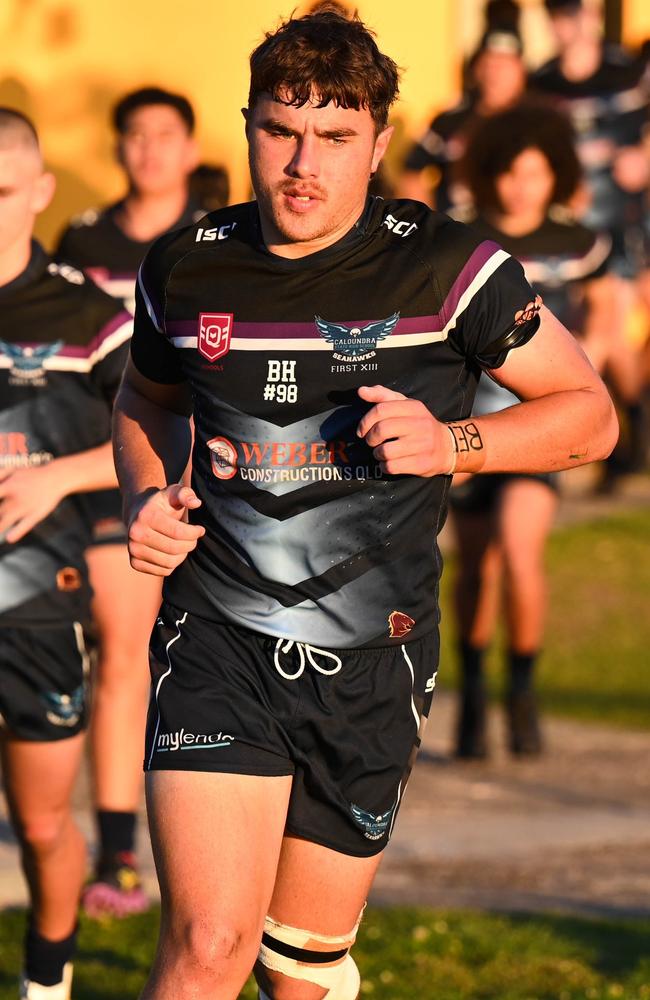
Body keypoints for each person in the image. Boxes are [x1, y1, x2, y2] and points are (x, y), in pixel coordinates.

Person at [112, 10, 617, 998]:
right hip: (219, 635)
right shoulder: (187, 264)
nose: (303, 164)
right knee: (209, 942)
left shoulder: (445, 266)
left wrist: (450, 444)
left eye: (334, 137)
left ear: (378, 142)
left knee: (297, 973)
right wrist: (145, 489)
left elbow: (587, 415)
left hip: (373, 656)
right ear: (248, 123)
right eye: (280, 130)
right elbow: (143, 396)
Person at [55, 86, 202, 917]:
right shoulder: (83, 241)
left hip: (191, 475)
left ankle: (122, 852)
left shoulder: (215, 237)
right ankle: (108, 846)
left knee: (129, 648)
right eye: (133, 136)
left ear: (188, 147)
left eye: (163, 136)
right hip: (95, 462)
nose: (148, 150)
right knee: (109, 646)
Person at [0, 108, 131, 998]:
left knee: (43, 826)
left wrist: (57, 478)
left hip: (37, 604)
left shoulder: (90, 316)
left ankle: (49, 979)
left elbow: (165, 435)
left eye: (1, 191)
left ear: (41, 192)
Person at [449, 104, 615, 757]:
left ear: (557, 174)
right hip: (466, 423)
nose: (521, 186)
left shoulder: (577, 244)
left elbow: (605, 316)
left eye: (535, 173)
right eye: (510, 172)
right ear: (489, 173)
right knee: (473, 569)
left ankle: (522, 688)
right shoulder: (461, 240)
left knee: (520, 554)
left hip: (539, 425)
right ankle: (474, 695)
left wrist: (584, 385)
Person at [532, 0, 650, 479]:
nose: (567, 25)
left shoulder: (627, 74)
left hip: (624, 224)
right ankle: (620, 431)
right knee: (589, 334)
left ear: (592, 16)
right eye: (557, 15)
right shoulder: (540, 82)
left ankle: (624, 429)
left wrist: (643, 157)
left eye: (574, 13)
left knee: (616, 335)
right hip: (568, 233)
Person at [399, 3, 527, 213]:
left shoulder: (537, 123)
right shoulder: (450, 121)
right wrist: (428, 230)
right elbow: (412, 172)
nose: (495, 74)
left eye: (504, 65)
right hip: (458, 236)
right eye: (489, 64)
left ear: (520, 70)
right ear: (477, 69)